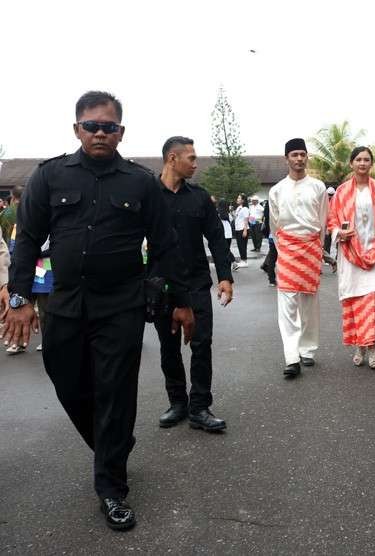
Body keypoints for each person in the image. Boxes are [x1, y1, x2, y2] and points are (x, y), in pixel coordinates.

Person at [1, 91, 194, 531]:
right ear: (77, 129)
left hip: (120, 306)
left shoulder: (140, 182)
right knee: (68, 383)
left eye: (109, 127)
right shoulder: (49, 177)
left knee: (114, 391)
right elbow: (27, 239)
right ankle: (113, 445)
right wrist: (19, 298)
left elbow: (166, 245)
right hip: (66, 304)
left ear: (121, 132)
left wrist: (180, 301)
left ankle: (111, 487)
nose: (100, 133)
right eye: (92, 126)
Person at [151, 137, 234, 432]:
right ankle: (177, 403)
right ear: (173, 158)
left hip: (197, 283)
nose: (196, 164)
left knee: (202, 344)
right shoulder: (148, 195)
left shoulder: (199, 197)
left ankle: (200, 406)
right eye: (192, 159)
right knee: (168, 346)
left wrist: (225, 276)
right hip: (162, 287)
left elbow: (216, 238)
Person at [268, 138, 329, 378]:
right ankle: (291, 357)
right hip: (287, 250)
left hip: (311, 247)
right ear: (286, 159)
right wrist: (283, 249)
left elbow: (323, 221)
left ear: (307, 157)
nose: (299, 159)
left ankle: (308, 350)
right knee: (287, 305)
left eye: (302, 154)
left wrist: (319, 249)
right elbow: (274, 225)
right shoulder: (276, 190)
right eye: (294, 154)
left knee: (309, 304)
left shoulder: (318, 187)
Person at [328, 147, 375, 368]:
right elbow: (332, 220)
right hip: (350, 254)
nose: (362, 163)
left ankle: (372, 348)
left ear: (371, 164)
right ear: (351, 163)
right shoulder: (342, 192)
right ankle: (359, 346)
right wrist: (338, 233)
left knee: (372, 300)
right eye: (358, 159)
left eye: (366, 160)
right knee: (354, 299)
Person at [260, 196, 277, 287]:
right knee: (276, 257)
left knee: (272, 257)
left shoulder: (268, 207)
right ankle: (273, 279)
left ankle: (271, 279)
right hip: (280, 235)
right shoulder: (279, 207)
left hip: (272, 235)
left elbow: (266, 222)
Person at [232, 194, 250, 269]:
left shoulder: (245, 208)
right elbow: (236, 217)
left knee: (242, 245)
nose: (237, 199)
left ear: (243, 200)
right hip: (238, 228)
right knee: (240, 245)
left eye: (239, 198)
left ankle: (244, 261)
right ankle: (242, 260)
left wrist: (245, 230)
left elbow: (246, 219)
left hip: (243, 229)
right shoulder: (239, 208)